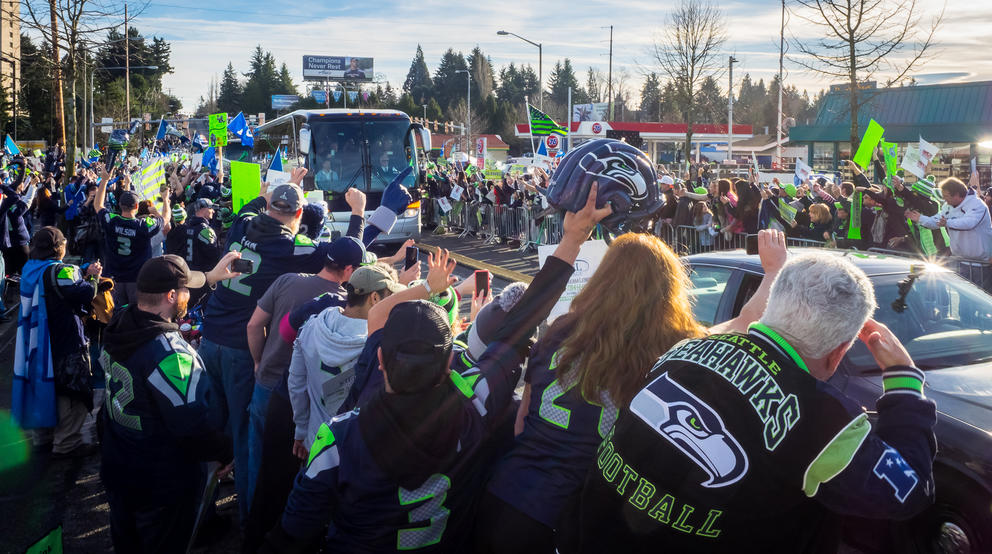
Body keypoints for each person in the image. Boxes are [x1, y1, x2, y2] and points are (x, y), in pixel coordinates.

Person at [262, 184, 613, 553]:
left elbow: (294, 532)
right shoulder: (474, 403)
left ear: (380, 360)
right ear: (449, 362)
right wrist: (574, 238)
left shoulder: (338, 439)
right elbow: (520, 325)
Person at [560, 242, 937, 553]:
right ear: (838, 352)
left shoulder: (684, 351)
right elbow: (909, 492)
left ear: (775, 306)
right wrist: (903, 381)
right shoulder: (824, 419)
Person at [478, 233, 706, 553]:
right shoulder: (665, 352)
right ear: (666, 291)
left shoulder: (560, 331)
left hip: (509, 494)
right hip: (573, 517)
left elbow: (522, 423)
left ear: (603, 278)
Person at [197, 168, 361, 525]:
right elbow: (343, 259)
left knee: (208, 431)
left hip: (210, 335)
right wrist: (359, 215)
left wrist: (283, 185)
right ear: (299, 215)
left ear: (268, 205)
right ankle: (249, 525)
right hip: (241, 347)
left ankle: (201, 514)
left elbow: (252, 204)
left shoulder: (243, 222)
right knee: (245, 443)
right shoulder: (292, 247)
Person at [99, 253, 241, 553]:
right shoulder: (170, 354)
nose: (190, 294)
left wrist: (211, 277)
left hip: (119, 463)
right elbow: (190, 426)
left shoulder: (121, 322)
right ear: (172, 295)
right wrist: (224, 450)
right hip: (158, 481)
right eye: (185, 290)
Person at [244, 234, 367, 518]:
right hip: (297, 397)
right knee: (293, 471)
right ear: (349, 271)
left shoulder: (288, 280)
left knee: (258, 461)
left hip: (265, 384)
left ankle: (248, 519)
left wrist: (258, 361)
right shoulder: (338, 304)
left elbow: (253, 325)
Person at [288, 264, 402, 455]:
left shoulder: (313, 324)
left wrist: (301, 431)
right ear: (374, 298)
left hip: (317, 440)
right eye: (389, 297)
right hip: (355, 448)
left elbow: (296, 384)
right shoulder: (377, 344)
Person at [12, 227, 102, 457]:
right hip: (64, 339)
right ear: (59, 248)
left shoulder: (30, 268)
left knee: (43, 384)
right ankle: (67, 443)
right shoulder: (61, 272)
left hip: (35, 341)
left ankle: (42, 436)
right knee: (70, 391)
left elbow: (53, 279)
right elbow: (85, 293)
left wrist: (80, 269)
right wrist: (93, 277)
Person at [94, 164, 170, 307]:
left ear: (120, 204)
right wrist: (165, 199)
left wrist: (104, 181)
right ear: (137, 207)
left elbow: (98, 205)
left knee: (115, 315)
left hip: (114, 279)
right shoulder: (143, 226)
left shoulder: (112, 221)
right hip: (137, 280)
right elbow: (165, 219)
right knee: (136, 316)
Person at [909, 177, 992, 261]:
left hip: (982, 261)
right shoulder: (947, 206)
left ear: (956, 195)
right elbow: (936, 221)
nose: (944, 199)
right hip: (958, 259)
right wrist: (921, 218)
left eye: (946, 196)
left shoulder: (977, 205)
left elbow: (969, 223)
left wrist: (947, 223)